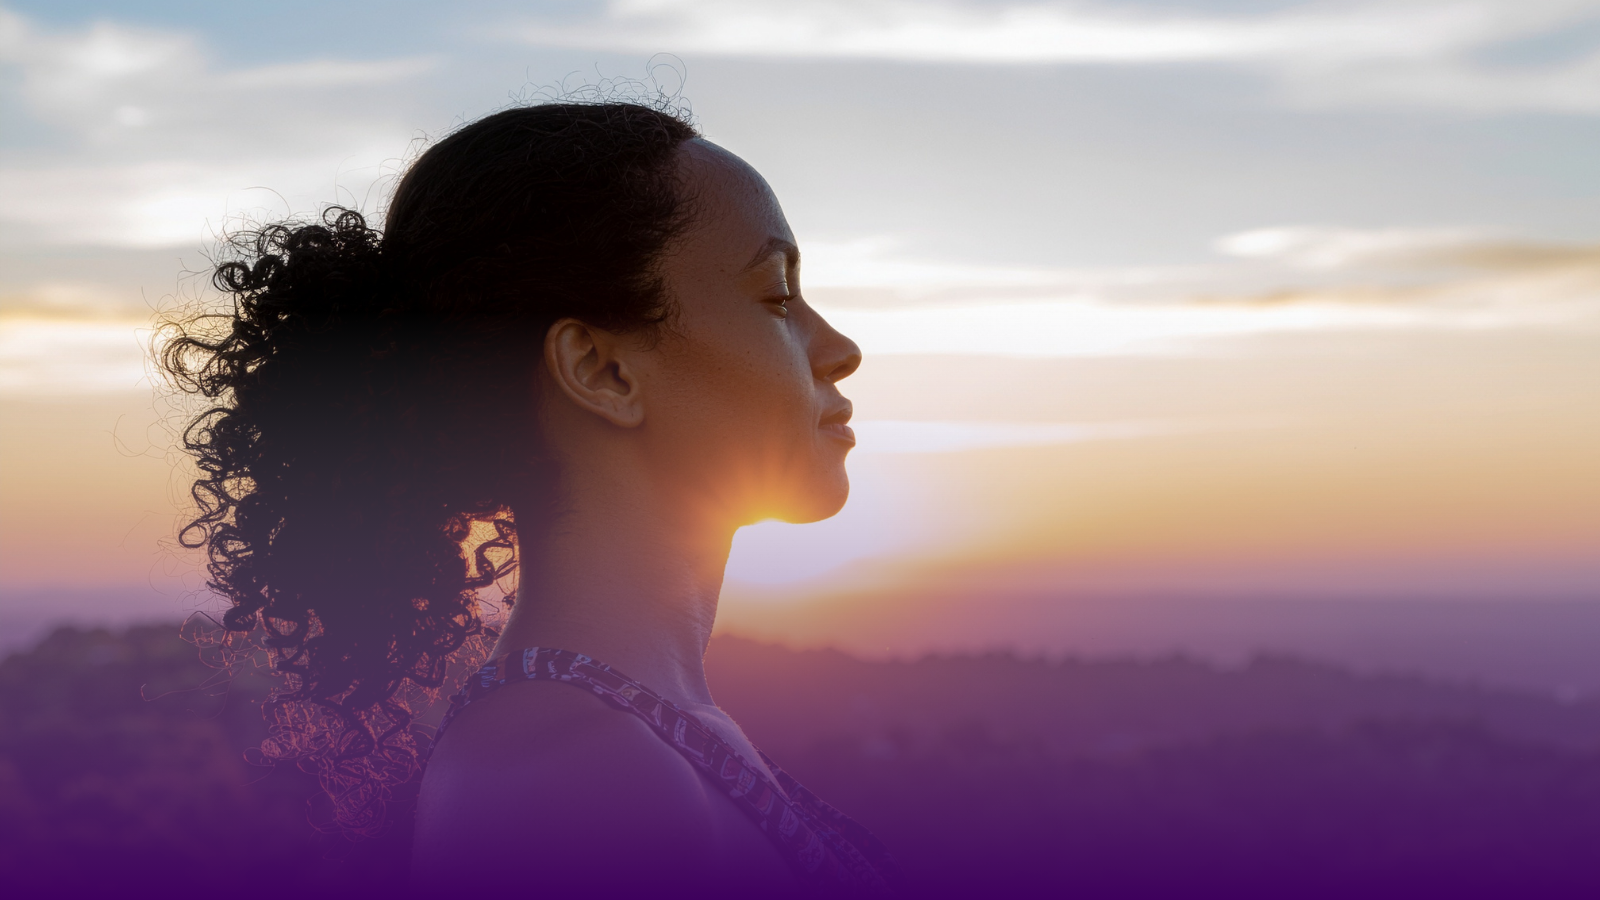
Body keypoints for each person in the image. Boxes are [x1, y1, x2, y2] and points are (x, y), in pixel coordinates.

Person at [162, 101, 896, 894]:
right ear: (601, 371)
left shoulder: (627, 738)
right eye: (778, 297)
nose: (841, 350)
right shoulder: (577, 780)